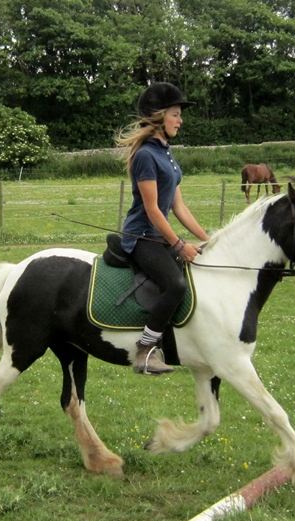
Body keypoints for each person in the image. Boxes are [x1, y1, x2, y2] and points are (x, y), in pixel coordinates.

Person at [116, 82, 210, 375]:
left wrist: (208, 239)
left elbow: (178, 207)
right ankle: (144, 351)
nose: (180, 121)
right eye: (175, 114)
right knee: (175, 285)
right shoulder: (145, 155)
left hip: (159, 235)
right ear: (159, 117)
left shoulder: (166, 153)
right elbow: (153, 211)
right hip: (142, 236)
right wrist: (179, 245)